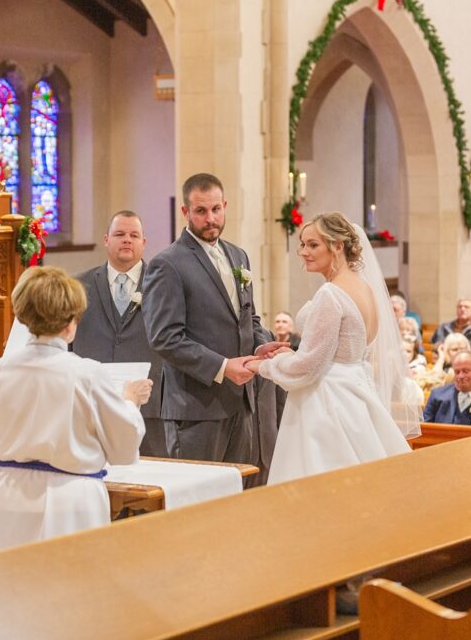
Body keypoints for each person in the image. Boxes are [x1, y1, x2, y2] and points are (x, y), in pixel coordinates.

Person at [0, 266, 151, 554]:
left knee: (6, 589)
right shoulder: (86, 374)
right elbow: (123, 446)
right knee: (68, 591)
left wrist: (14, 472)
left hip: (6, 496)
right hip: (70, 501)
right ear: (70, 324)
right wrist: (130, 401)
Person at [244, 212, 418, 484]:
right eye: (302, 244)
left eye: (313, 245)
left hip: (326, 402)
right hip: (356, 391)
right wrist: (289, 354)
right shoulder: (364, 288)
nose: (303, 252)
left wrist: (261, 366)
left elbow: (307, 367)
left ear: (338, 246)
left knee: (318, 482)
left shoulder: (331, 294)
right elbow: (338, 351)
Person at [142, 173, 282, 468]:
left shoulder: (238, 256)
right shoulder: (168, 263)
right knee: (196, 501)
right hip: (195, 409)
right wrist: (222, 367)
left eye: (216, 209)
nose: (210, 219)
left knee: (234, 500)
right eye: (201, 211)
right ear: (185, 212)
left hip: (240, 403)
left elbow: (248, 316)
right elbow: (165, 337)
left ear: (225, 206)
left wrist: (260, 346)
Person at [71, 210, 167, 457]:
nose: (127, 240)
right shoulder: (79, 285)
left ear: (144, 243)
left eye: (134, 235)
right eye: (120, 234)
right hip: (93, 404)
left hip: (150, 406)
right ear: (106, 240)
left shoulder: (164, 285)